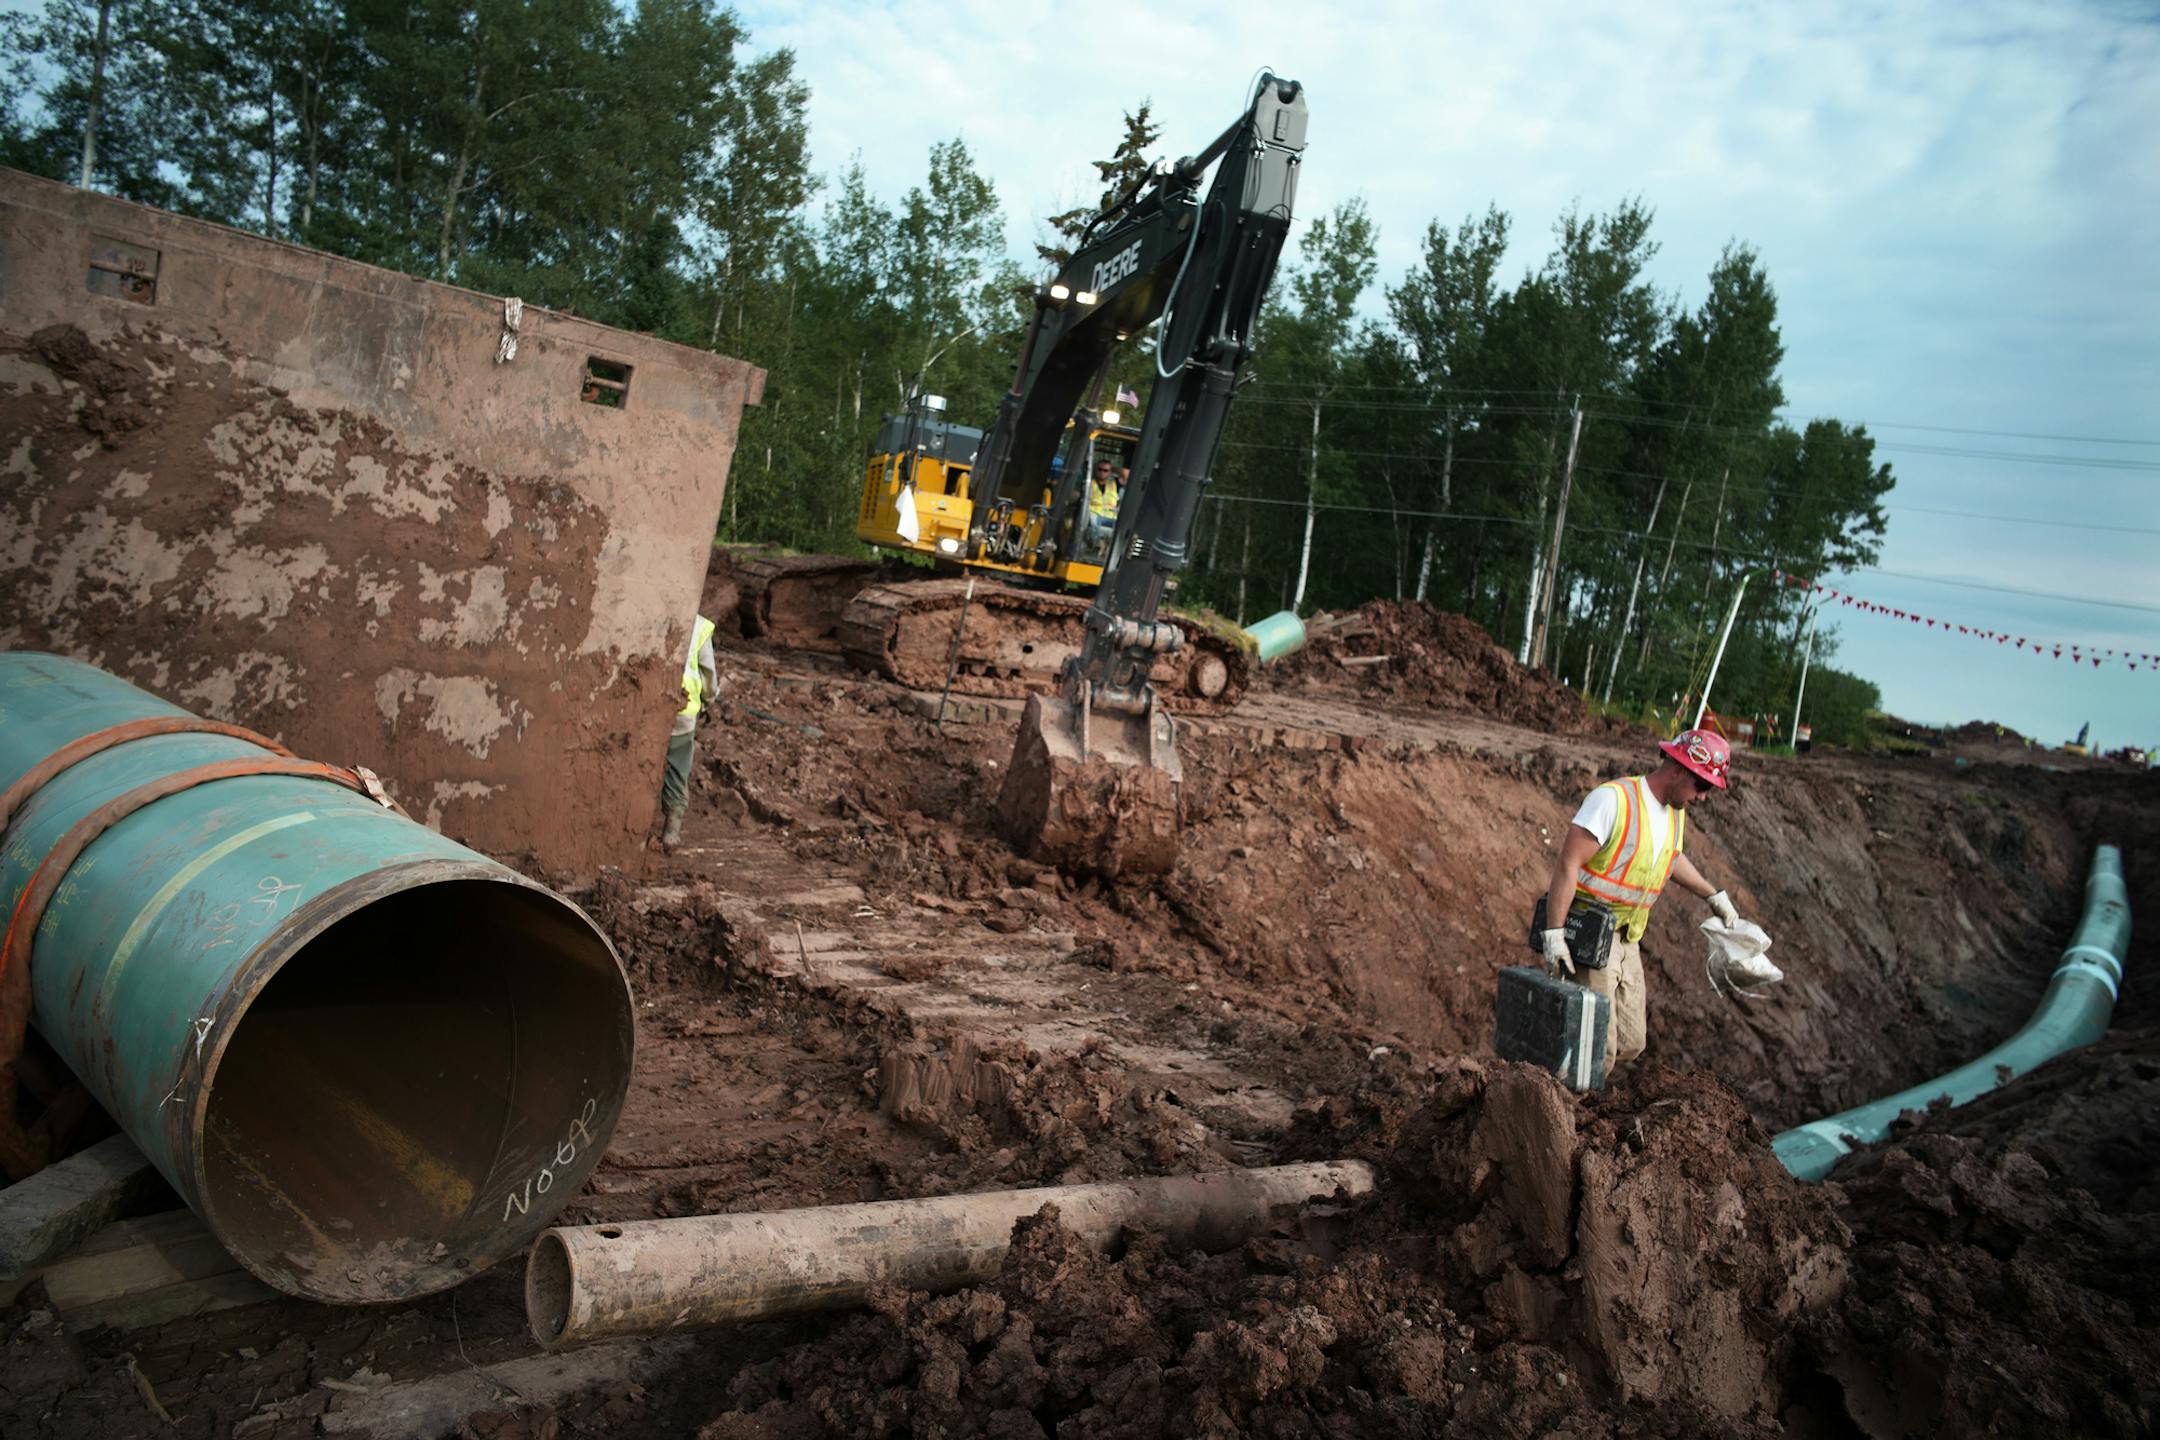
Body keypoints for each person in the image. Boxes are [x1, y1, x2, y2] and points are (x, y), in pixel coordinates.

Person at [1537, 728, 1759, 1071]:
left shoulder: (1674, 812)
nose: (1703, 797)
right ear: (1678, 769)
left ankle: (1572, 1082)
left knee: (1631, 1041)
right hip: (1591, 932)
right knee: (1596, 1049)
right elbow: (1568, 863)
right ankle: (1568, 1108)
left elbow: (1671, 857)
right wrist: (1554, 934)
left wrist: (1713, 895)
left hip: (1628, 938)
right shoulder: (1614, 800)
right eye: (1702, 786)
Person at [659, 613, 718, 850]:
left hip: (649, 705)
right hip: (683, 709)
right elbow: (708, 674)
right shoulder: (700, 625)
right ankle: (671, 831)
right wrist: (708, 700)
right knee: (678, 767)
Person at [1081, 458, 1122, 552]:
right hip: (1094, 513)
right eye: (1100, 469)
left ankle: (1114, 550)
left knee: (1121, 527)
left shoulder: (1114, 484)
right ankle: (1096, 546)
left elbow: (1126, 474)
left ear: (1109, 472)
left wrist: (1113, 468)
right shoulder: (1089, 483)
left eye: (1105, 470)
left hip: (1111, 517)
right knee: (1092, 522)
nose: (1102, 472)